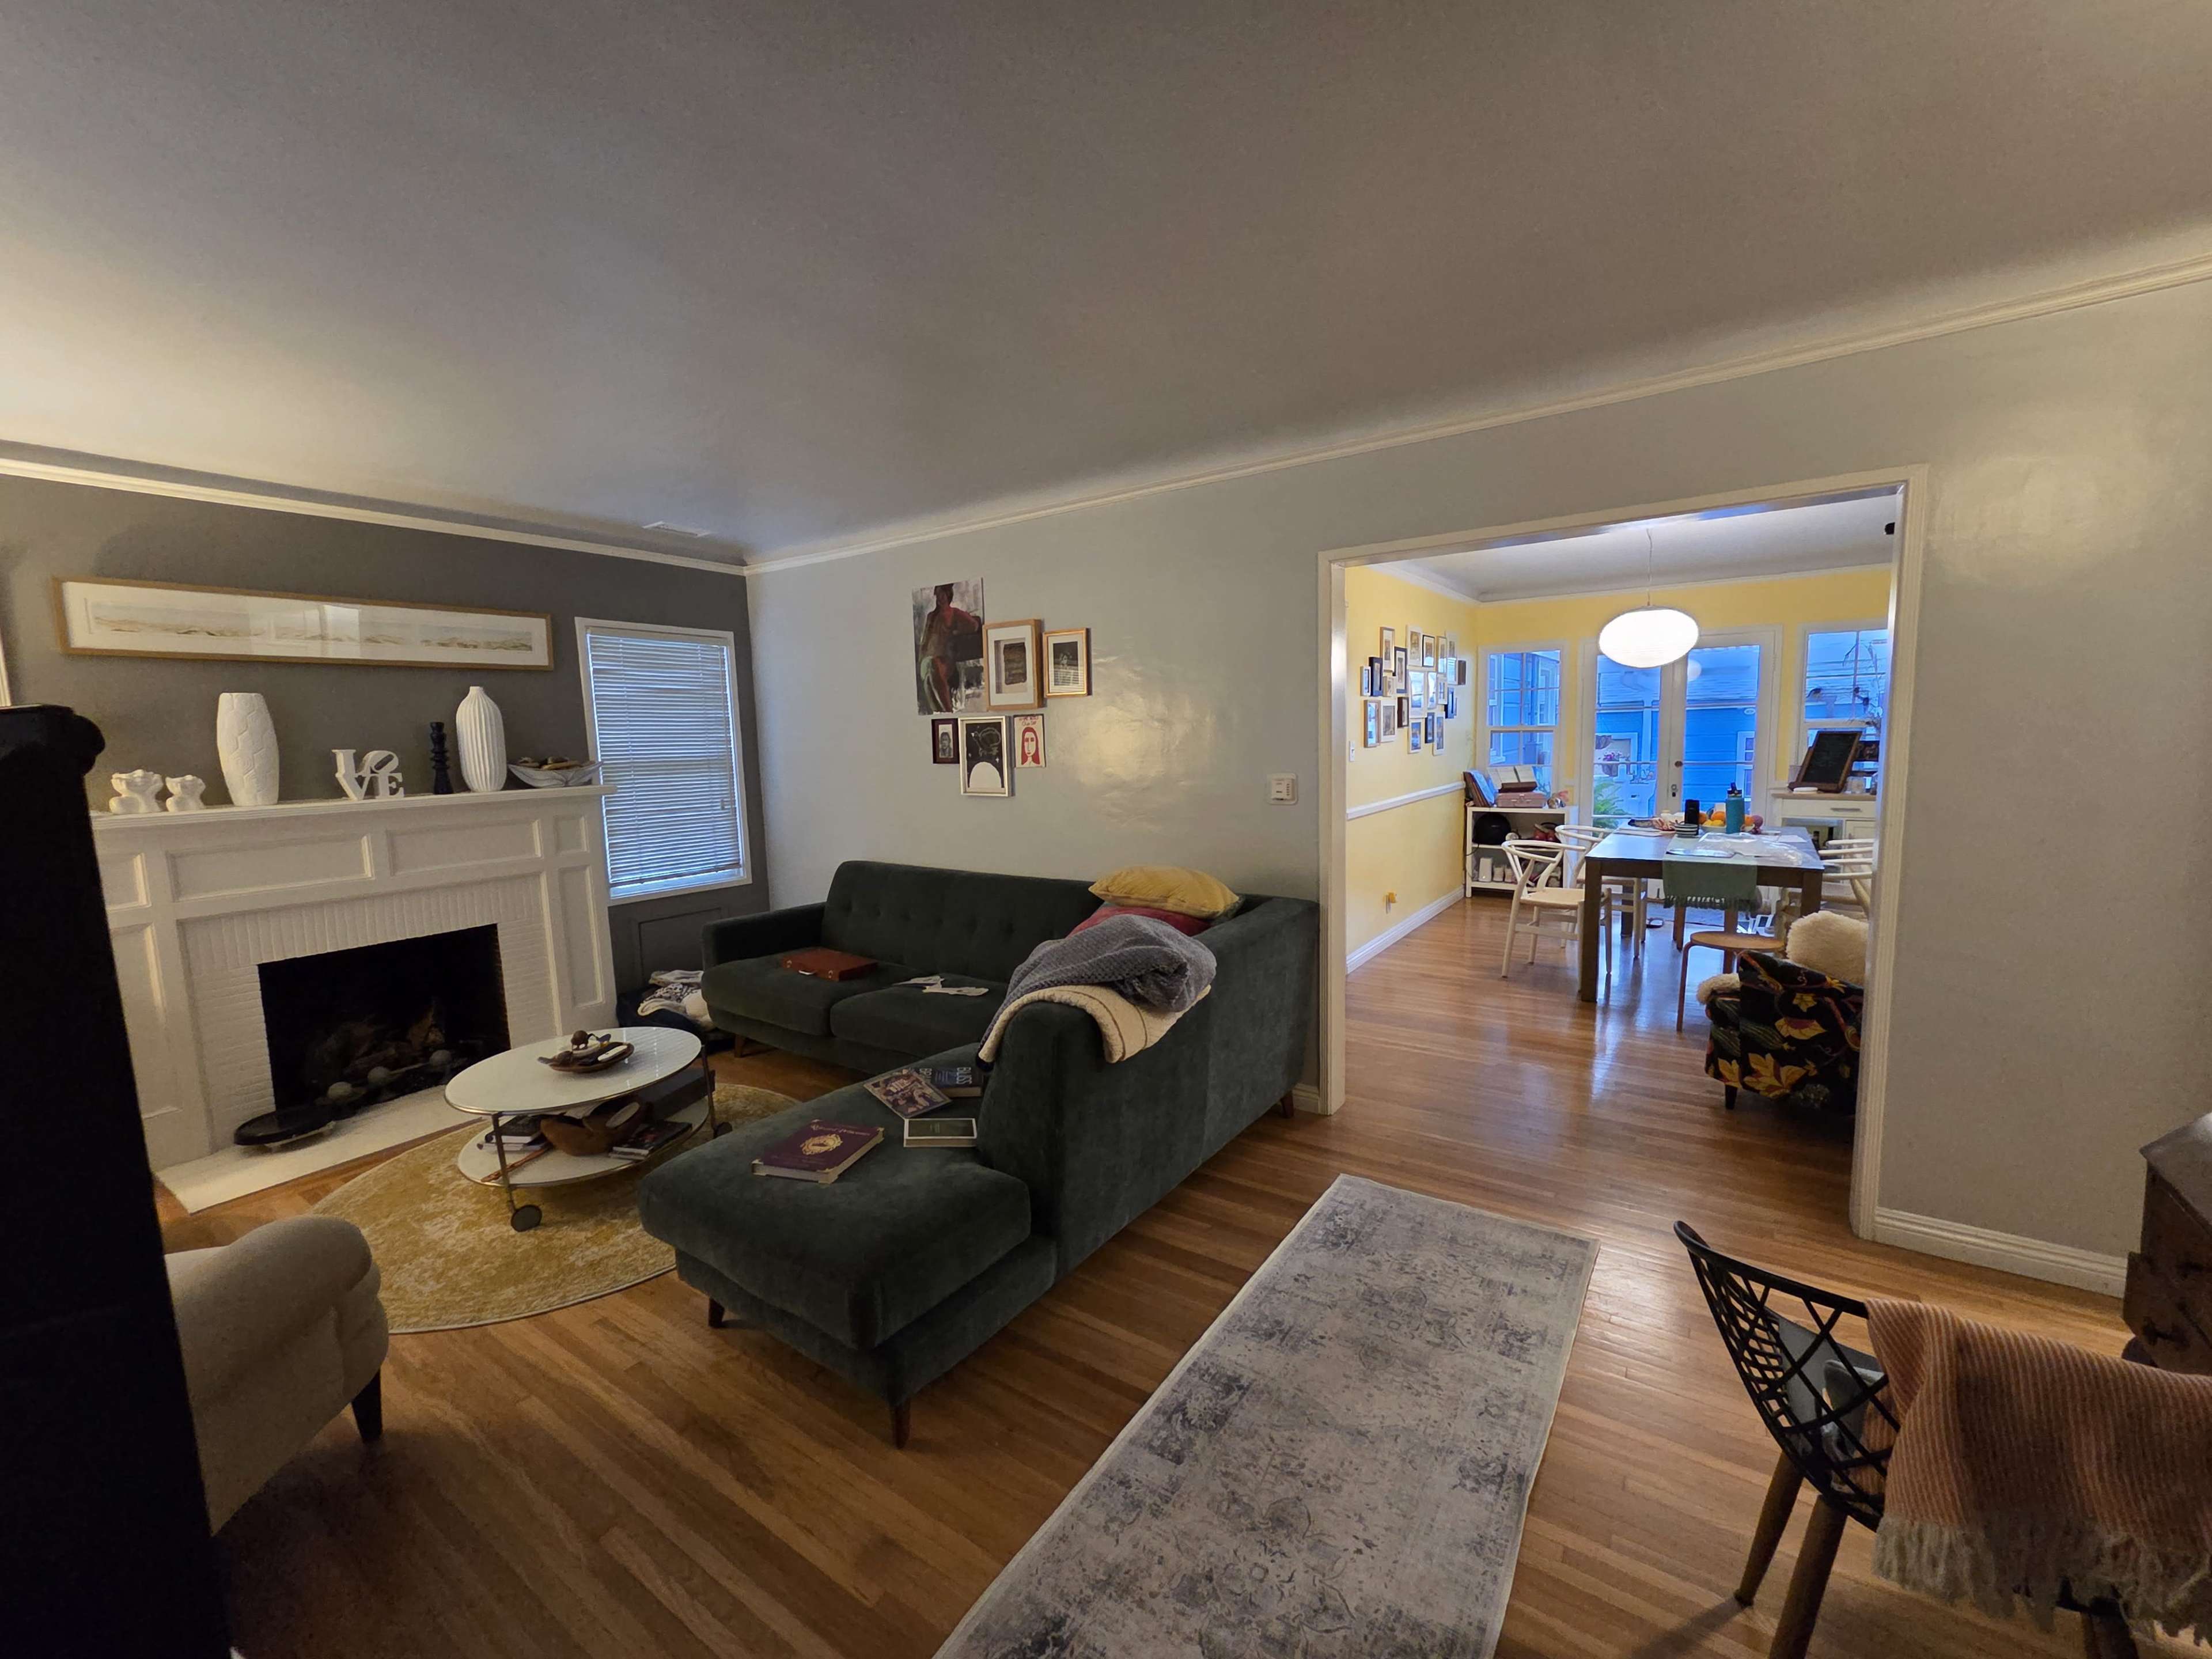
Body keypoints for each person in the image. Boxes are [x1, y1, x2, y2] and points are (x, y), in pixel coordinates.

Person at [917, 584, 982, 713]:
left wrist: (956, 632)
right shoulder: (932, 616)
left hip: (945, 660)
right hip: (929, 660)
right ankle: (943, 714)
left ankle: (947, 712)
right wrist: (920, 659)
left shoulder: (954, 613)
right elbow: (925, 640)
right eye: (938, 595)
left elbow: (974, 625)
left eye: (943, 595)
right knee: (929, 677)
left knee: (934, 667)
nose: (940, 598)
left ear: (948, 595)